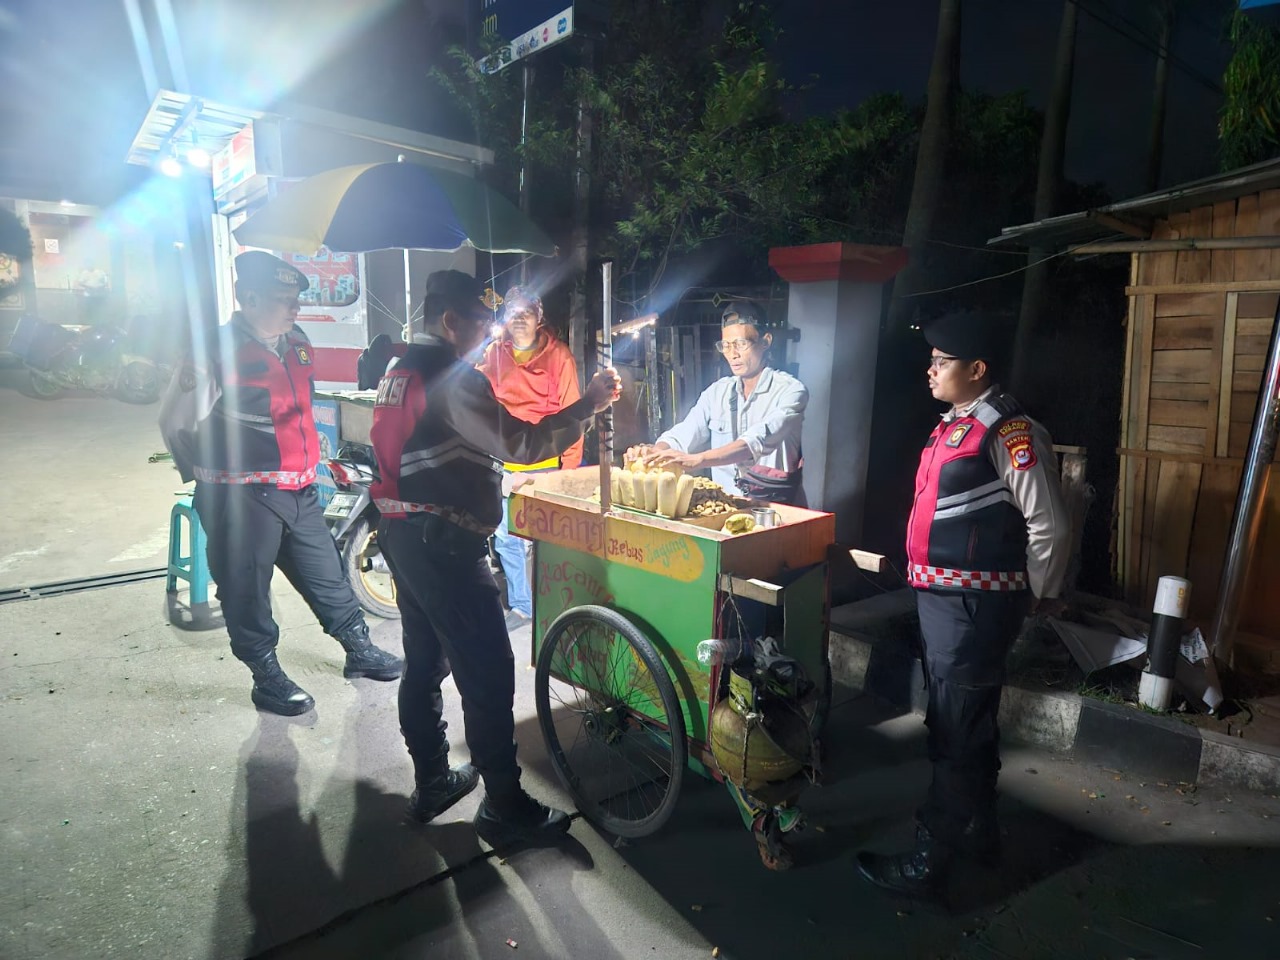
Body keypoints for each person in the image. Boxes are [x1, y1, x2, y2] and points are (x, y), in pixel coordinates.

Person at [368, 269, 620, 848]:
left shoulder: (400, 367)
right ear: (451, 321)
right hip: (443, 544)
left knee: (425, 662)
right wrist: (589, 403)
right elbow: (521, 443)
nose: (492, 335)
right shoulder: (452, 375)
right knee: (486, 669)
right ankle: (504, 805)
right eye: (483, 324)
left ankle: (434, 780)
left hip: (403, 533)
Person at [856, 310, 1070, 899]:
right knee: (965, 721)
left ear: (977, 369)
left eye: (942, 361)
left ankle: (932, 857)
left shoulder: (1009, 432)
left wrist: (1040, 592)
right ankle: (979, 833)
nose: (930, 370)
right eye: (930, 360)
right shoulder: (957, 424)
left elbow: (1048, 524)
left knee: (955, 729)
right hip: (947, 602)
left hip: (975, 606)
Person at [158, 251, 403, 717]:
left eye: (295, 298)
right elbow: (175, 422)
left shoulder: (297, 342)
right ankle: (266, 677)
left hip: (298, 490)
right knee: (246, 587)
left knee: (326, 573)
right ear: (247, 298)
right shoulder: (213, 351)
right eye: (282, 298)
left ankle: (359, 650)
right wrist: (208, 479)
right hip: (241, 497)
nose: (295, 307)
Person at [476, 285, 583, 631]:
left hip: (544, 467)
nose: (519, 319)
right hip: (504, 464)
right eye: (513, 312)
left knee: (547, 541)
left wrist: (568, 471)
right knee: (507, 538)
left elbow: (573, 415)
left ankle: (556, 607)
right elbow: (478, 401)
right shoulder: (494, 354)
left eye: (527, 312)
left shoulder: (559, 357)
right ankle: (522, 606)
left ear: (539, 317)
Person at [626, 302, 808, 505]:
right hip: (726, 507)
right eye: (726, 346)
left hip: (774, 509)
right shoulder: (717, 392)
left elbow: (755, 441)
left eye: (741, 344)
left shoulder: (791, 391)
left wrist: (700, 459)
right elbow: (685, 432)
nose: (733, 354)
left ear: (765, 341)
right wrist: (656, 452)